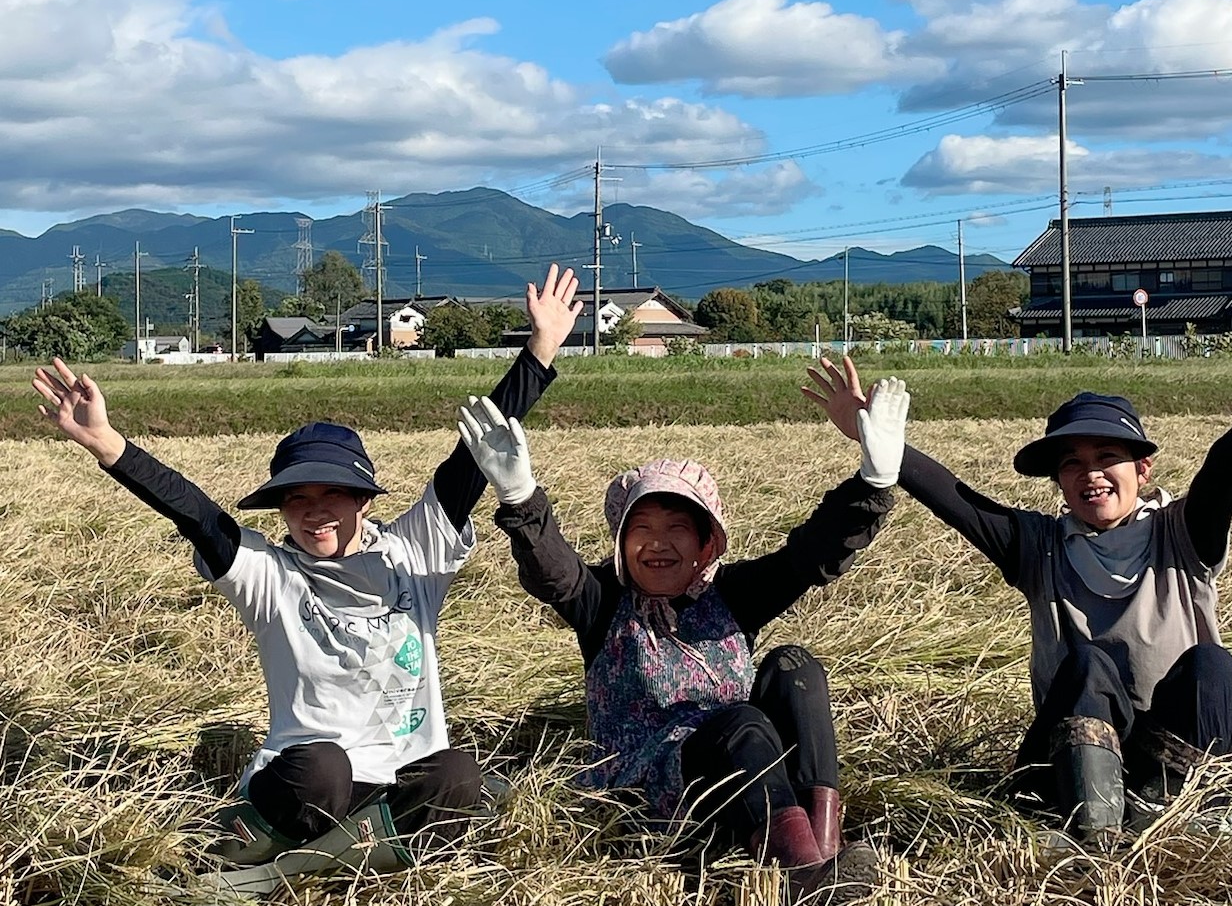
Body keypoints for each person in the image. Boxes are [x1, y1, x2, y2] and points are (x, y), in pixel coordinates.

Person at [31, 265, 583, 896]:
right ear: (280, 507)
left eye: (333, 495)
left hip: (396, 778)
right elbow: (196, 512)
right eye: (297, 499)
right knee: (325, 766)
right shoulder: (271, 574)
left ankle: (292, 865)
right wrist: (106, 443)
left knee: (458, 774)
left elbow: (473, 458)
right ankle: (326, 850)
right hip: (307, 782)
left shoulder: (412, 550)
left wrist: (539, 351)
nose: (314, 511)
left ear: (364, 500)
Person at [804, 335, 1232, 846]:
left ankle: (1193, 822)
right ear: (1059, 482)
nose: (1091, 473)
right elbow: (962, 502)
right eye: (1072, 463)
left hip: (1180, 752)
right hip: (1073, 760)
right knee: (1087, 665)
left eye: (1108, 455)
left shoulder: (1182, 534)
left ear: (1142, 468)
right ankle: (1094, 832)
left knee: (1211, 666)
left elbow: (1219, 482)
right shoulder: (1040, 546)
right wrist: (884, 449)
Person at [455, 379, 910, 903]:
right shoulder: (603, 602)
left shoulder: (732, 597)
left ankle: (817, 852)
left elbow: (809, 558)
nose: (658, 543)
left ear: (704, 544)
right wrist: (520, 498)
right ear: (622, 543)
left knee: (793, 667)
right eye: (640, 527)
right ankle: (803, 875)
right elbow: (553, 572)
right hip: (652, 791)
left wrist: (873, 484)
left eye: (677, 528)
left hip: (741, 774)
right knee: (743, 722)